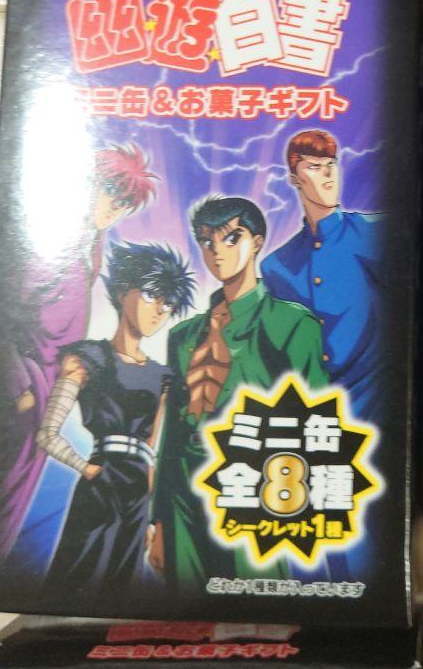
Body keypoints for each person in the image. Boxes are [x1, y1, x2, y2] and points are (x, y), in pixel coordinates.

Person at [0, 144, 158, 569]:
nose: (116, 208)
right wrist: (19, 389)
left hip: (40, 400)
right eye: (111, 192)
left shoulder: (86, 246)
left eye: (126, 203)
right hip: (17, 398)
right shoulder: (44, 246)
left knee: (7, 512)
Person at [149, 195, 328, 595]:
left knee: (258, 599)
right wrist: (158, 521)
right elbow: (171, 435)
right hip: (183, 492)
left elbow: (317, 425)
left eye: (232, 238)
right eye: (207, 241)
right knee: (188, 606)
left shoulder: (291, 324)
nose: (218, 251)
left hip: (253, 486)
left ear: (257, 242)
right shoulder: (182, 335)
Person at [36, 242, 195, 600]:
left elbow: (152, 451)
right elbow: (46, 434)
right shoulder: (87, 358)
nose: (159, 310)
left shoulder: (162, 376)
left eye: (168, 303)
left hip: (138, 494)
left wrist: (152, 518)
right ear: (123, 292)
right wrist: (88, 469)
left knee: (123, 584)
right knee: (78, 576)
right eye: (151, 294)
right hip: (101, 484)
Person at [263, 131, 384, 424]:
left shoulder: (374, 233)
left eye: (332, 164)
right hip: (310, 412)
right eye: (314, 167)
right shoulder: (276, 266)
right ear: (294, 178)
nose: (328, 174)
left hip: (375, 407)